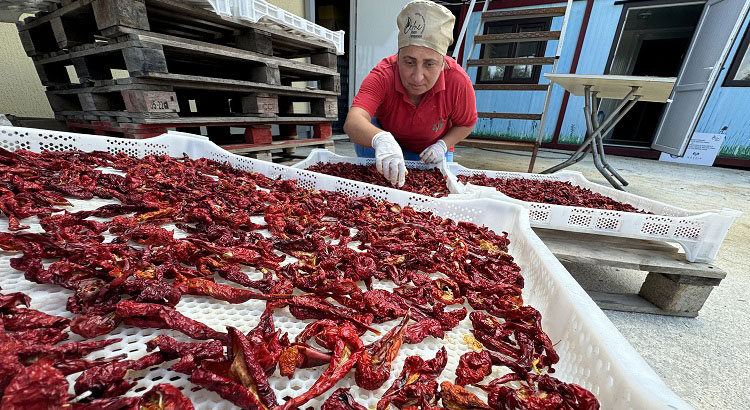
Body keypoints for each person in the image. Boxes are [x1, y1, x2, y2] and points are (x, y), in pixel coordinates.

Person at [343, 0, 477, 187]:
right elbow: (354, 121)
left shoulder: (458, 81)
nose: (417, 77)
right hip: (388, 145)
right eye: (409, 62)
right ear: (398, 56)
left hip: (431, 149)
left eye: (429, 64)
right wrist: (381, 139)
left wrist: (442, 145)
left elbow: (466, 123)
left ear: (443, 61)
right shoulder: (384, 74)